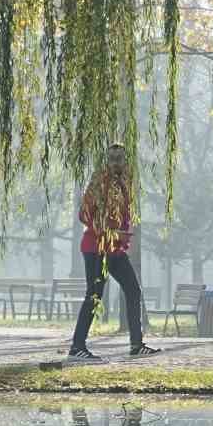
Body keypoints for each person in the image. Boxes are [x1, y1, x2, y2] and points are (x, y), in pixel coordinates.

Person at [68, 143, 158, 362]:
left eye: (120, 157)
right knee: (95, 294)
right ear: (106, 160)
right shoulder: (99, 182)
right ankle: (77, 347)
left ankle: (136, 344)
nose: (116, 162)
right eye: (112, 158)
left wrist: (123, 233)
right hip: (96, 247)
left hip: (115, 249)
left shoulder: (125, 183)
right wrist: (108, 231)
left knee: (133, 290)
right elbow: (84, 215)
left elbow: (124, 215)